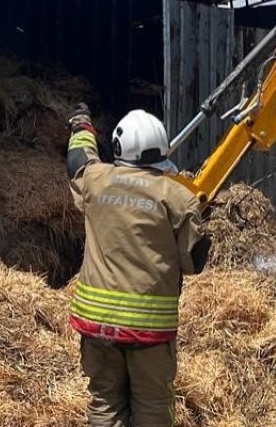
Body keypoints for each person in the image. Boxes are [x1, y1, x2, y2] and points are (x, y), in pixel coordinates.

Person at [66, 104, 211, 427]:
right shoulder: (178, 197)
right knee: (153, 408)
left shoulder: (96, 180)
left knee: (105, 402)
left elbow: (77, 160)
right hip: (150, 329)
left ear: (119, 148)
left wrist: (81, 126)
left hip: (98, 323)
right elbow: (193, 262)